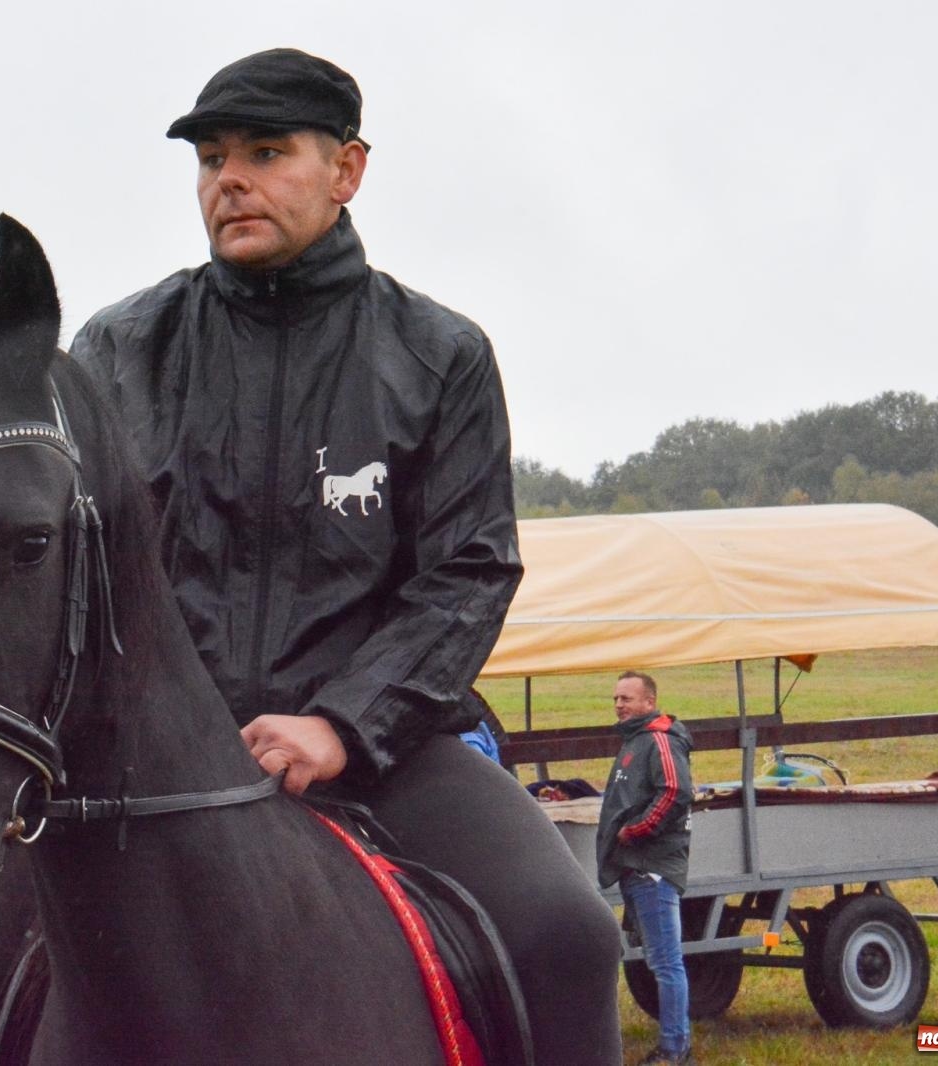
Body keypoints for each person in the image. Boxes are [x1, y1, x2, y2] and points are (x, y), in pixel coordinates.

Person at [71, 46, 622, 1065]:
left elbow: (468, 573)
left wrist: (339, 723)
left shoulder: (437, 354)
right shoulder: (115, 350)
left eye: (265, 151)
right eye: (210, 159)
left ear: (347, 171)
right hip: (151, 770)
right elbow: (68, 567)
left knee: (569, 936)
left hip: (386, 759)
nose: (226, 179)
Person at [596, 671, 696, 1066]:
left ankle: (675, 1050)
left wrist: (636, 831)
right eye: (616, 698)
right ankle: (675, 1044)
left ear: (649, 702)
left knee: (666, 962)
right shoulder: (635, 740)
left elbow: (675, 791)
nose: (620, 704)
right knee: (661, 961)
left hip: (650, 869)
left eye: (627, 698)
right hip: (636, 867)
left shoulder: (659, 740)